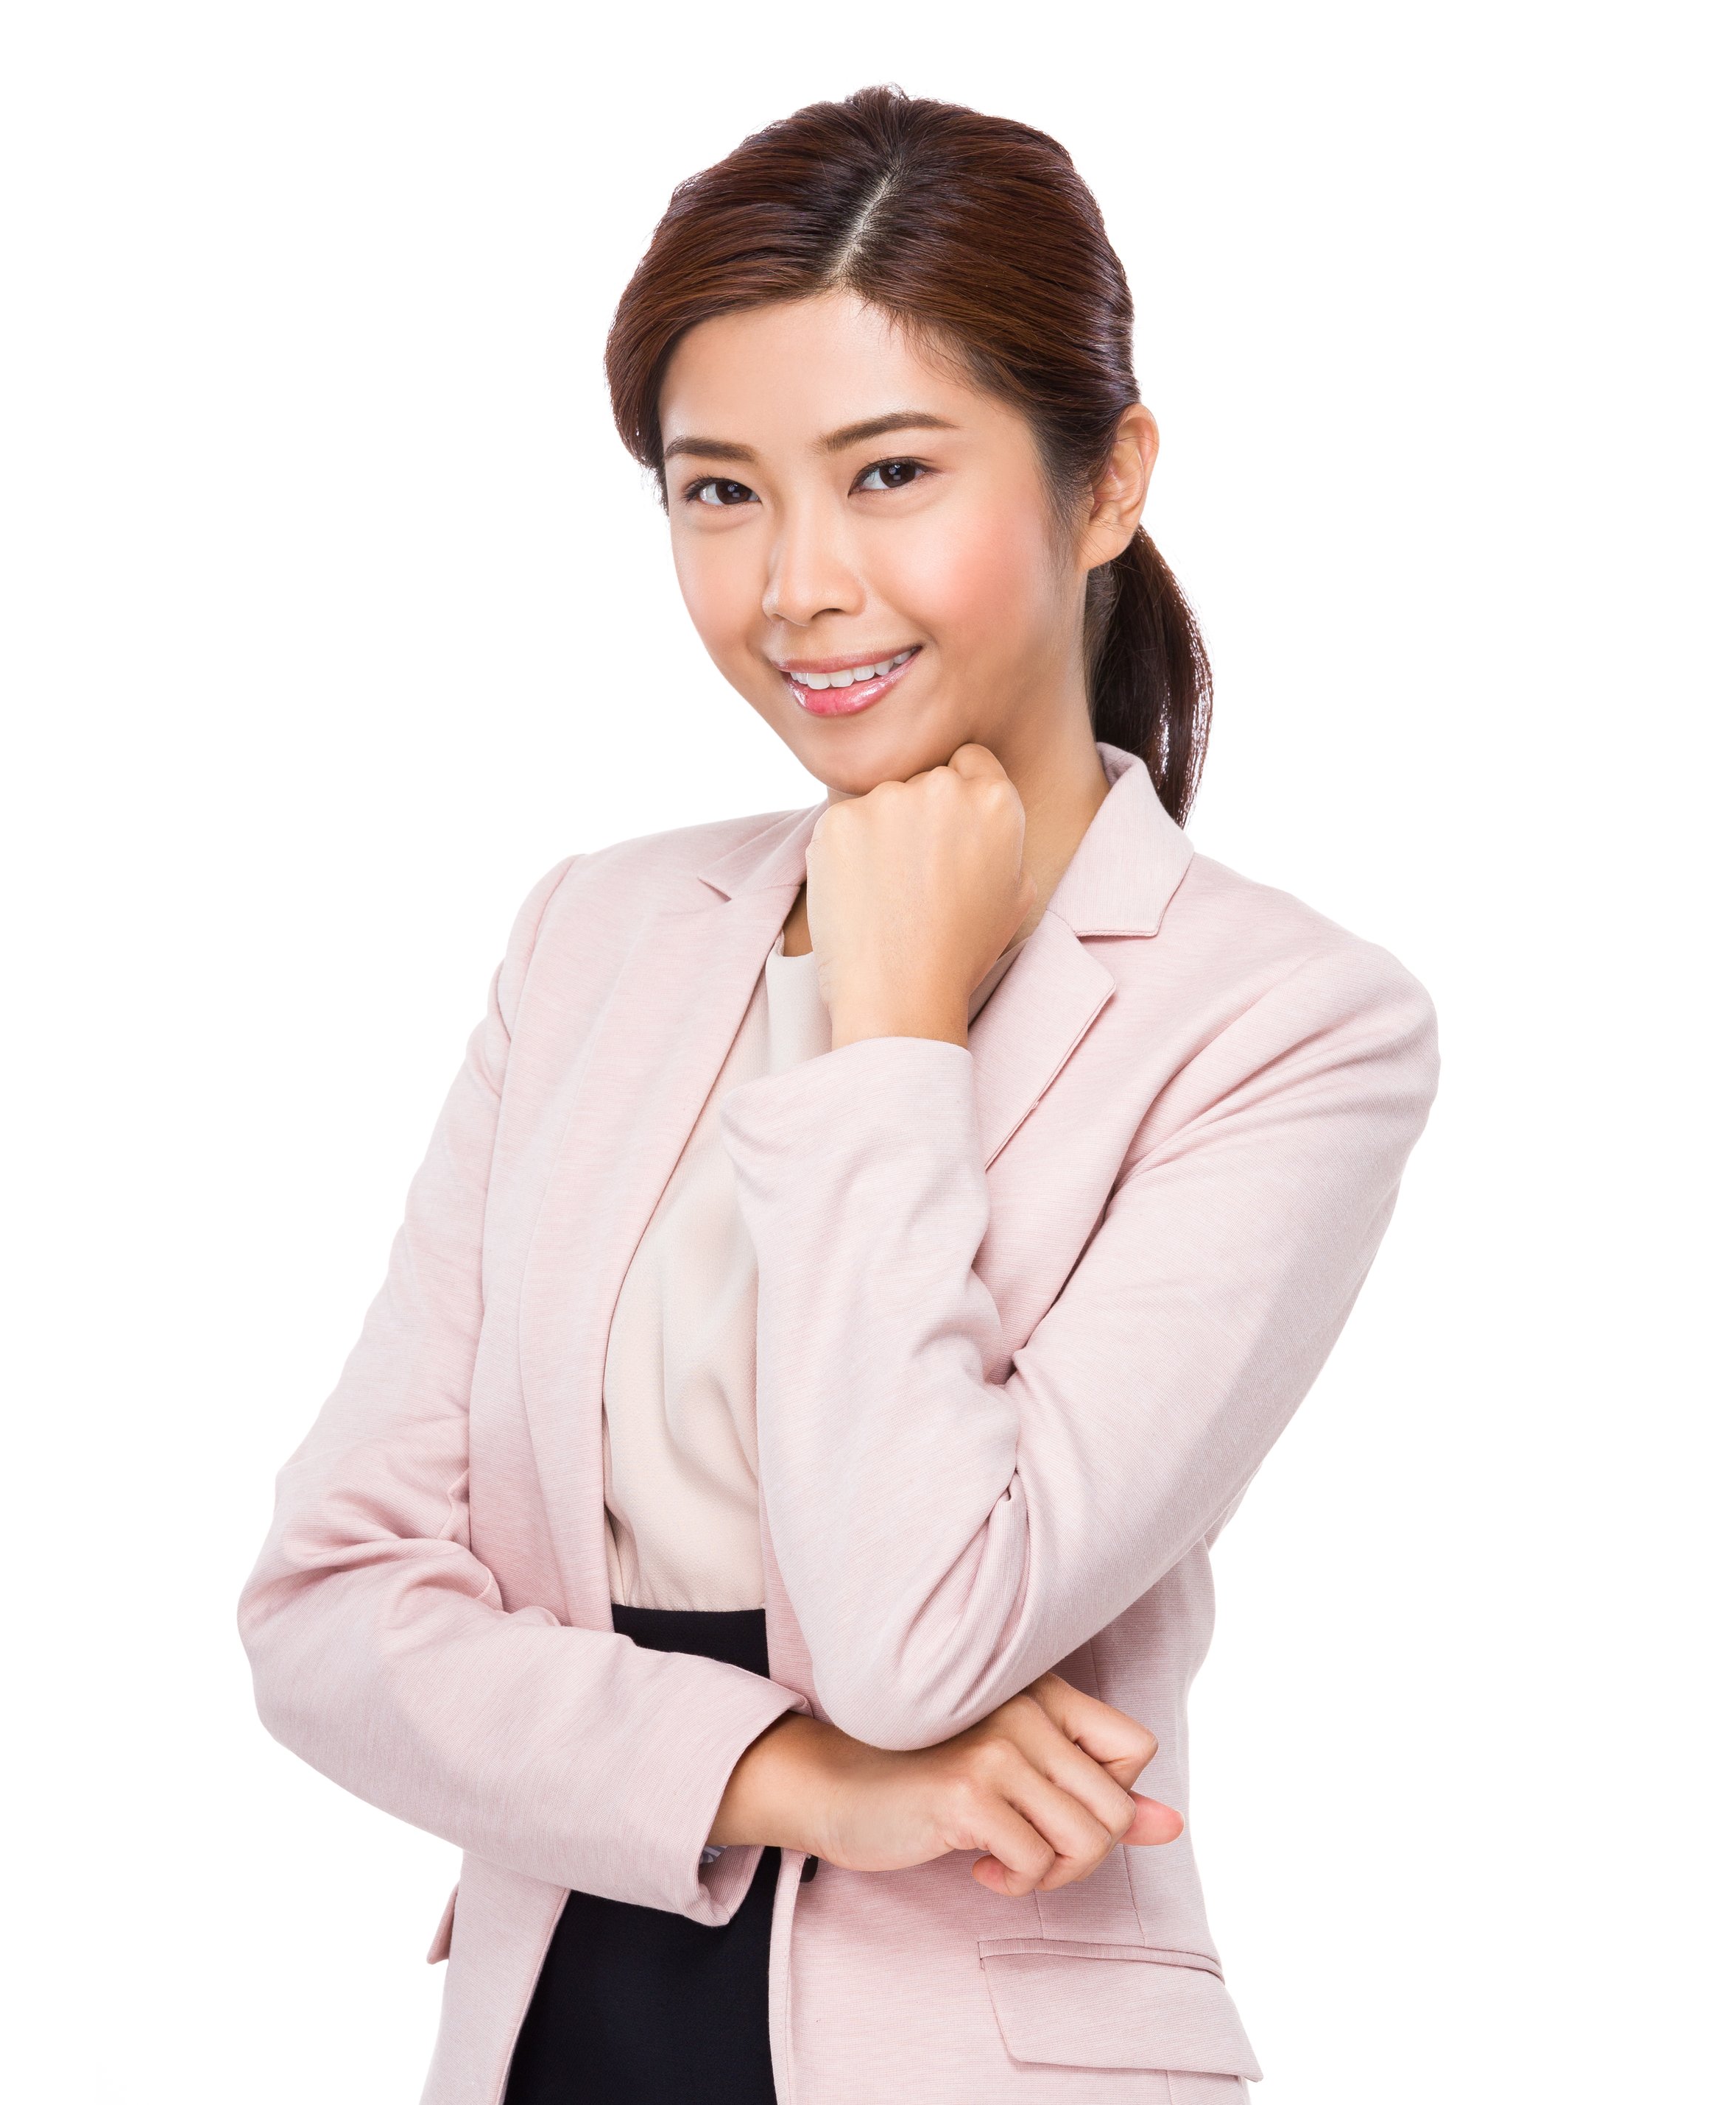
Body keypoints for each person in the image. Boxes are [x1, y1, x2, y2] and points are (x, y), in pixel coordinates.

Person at [238, 84, 1439, 2105]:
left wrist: (885, 1031)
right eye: (717, 493)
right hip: (558, 2018)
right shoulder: (600, 935)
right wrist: (793, 1778)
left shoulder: (1285, 1023)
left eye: (887, 471)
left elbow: (921, 1631)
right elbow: (328, 1606)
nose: (795, 581)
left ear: (1106, 480)